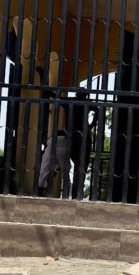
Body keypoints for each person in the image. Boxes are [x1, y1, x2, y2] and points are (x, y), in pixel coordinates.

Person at [36, 67, 94, 199]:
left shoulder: (72, 102)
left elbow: (54, 96)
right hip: (79, 136)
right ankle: (75, 195)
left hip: (72, 136)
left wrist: (45, 87)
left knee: (65, 168)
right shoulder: (85, 103)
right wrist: (91, 125)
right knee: (78, 167)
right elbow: (98, 110)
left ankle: (70, 193)